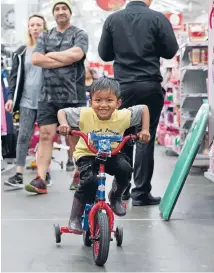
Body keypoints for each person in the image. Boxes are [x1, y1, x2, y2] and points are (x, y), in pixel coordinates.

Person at [98, 0, 179, 206]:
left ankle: (122, 189)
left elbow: (104, 54)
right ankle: (141, 193)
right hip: (149, 85)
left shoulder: (112, 19)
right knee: (145, 138)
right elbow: (170, 51)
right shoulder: (158, 18)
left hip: (122, 88)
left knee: (124, 137)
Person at [57, 76, 151, 234]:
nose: (103, 105)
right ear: (90, 101)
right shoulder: (84, 114)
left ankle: (115, 196)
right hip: (87, 154)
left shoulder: (122, 116)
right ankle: (75, 217)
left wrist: (145, 130)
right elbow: (62, 112)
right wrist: (64, 124)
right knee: (89, 181)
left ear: (118, 103)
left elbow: (144, 109)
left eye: (109, 100)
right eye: (98, 100)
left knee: (125, 169)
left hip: (111, 153)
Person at [24, 0, 89, 194]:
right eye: (57, 9)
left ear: (70, 12)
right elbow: (36, 59)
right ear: (54, 14)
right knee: (45, 136)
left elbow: (77, 55)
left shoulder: (79, 34)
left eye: (64, 8)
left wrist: (50, 56)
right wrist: (64, 58)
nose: (60, 12)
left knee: (73, 138)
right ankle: (40, 180)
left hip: (73, 94)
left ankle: (78, 173)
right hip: (48, 96)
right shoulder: (44, 35)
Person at [4, 14, 51, 189]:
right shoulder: (21, 52)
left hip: (46, 100)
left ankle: (43, 173)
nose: (35, 28)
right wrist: (10, 98)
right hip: (26, 100)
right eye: (32, 25)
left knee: (45, 137)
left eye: (39, 24)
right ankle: (18, 174)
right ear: (29, 28)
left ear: (44, 27)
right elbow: (14, 77)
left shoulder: (50, 50)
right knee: (23, 136)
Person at [69, 66, 95, 190]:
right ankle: (78, 171)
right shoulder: (76, 85)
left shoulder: (94, 85)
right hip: (80, 118)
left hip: (92, 119)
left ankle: (80, 172)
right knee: (78, 144)